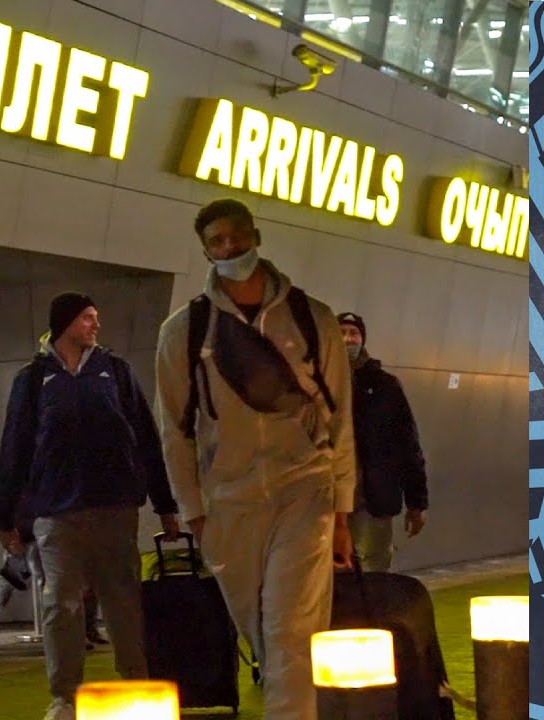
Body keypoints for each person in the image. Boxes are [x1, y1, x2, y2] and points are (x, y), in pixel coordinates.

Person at [154, 197, 356, 720]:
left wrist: (341, 511)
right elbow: (175, 431)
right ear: (205, 251)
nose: (230, 248)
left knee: (291, 629)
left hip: (304, 490)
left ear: (257, 236)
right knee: (263, 632)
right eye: (217, 241)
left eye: (238, 236)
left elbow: (340, 419)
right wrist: (194, 513)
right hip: (228, 503)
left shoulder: (313, 319)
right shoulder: (184, 331)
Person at [0, 292, 180, 720]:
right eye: (87, 318)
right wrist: (4, 516)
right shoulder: (33, 379)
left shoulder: (115, 372)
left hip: (116, 509)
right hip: (56, 514)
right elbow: (14, 448)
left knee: (123, 603)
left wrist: (165, 503)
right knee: (61, 604)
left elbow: (146, 438)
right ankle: (64, 697)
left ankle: (136, 683)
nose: (96, 324)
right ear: (65, 323)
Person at [337, 312, 429, 571]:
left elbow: (407, 444)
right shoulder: (314, 380)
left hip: (371, 499)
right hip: (325, 500)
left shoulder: (385, 386)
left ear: (363, 339)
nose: (348, 339)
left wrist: (417, 502)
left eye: (354, 333)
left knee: (373, 569)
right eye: (341, 333)